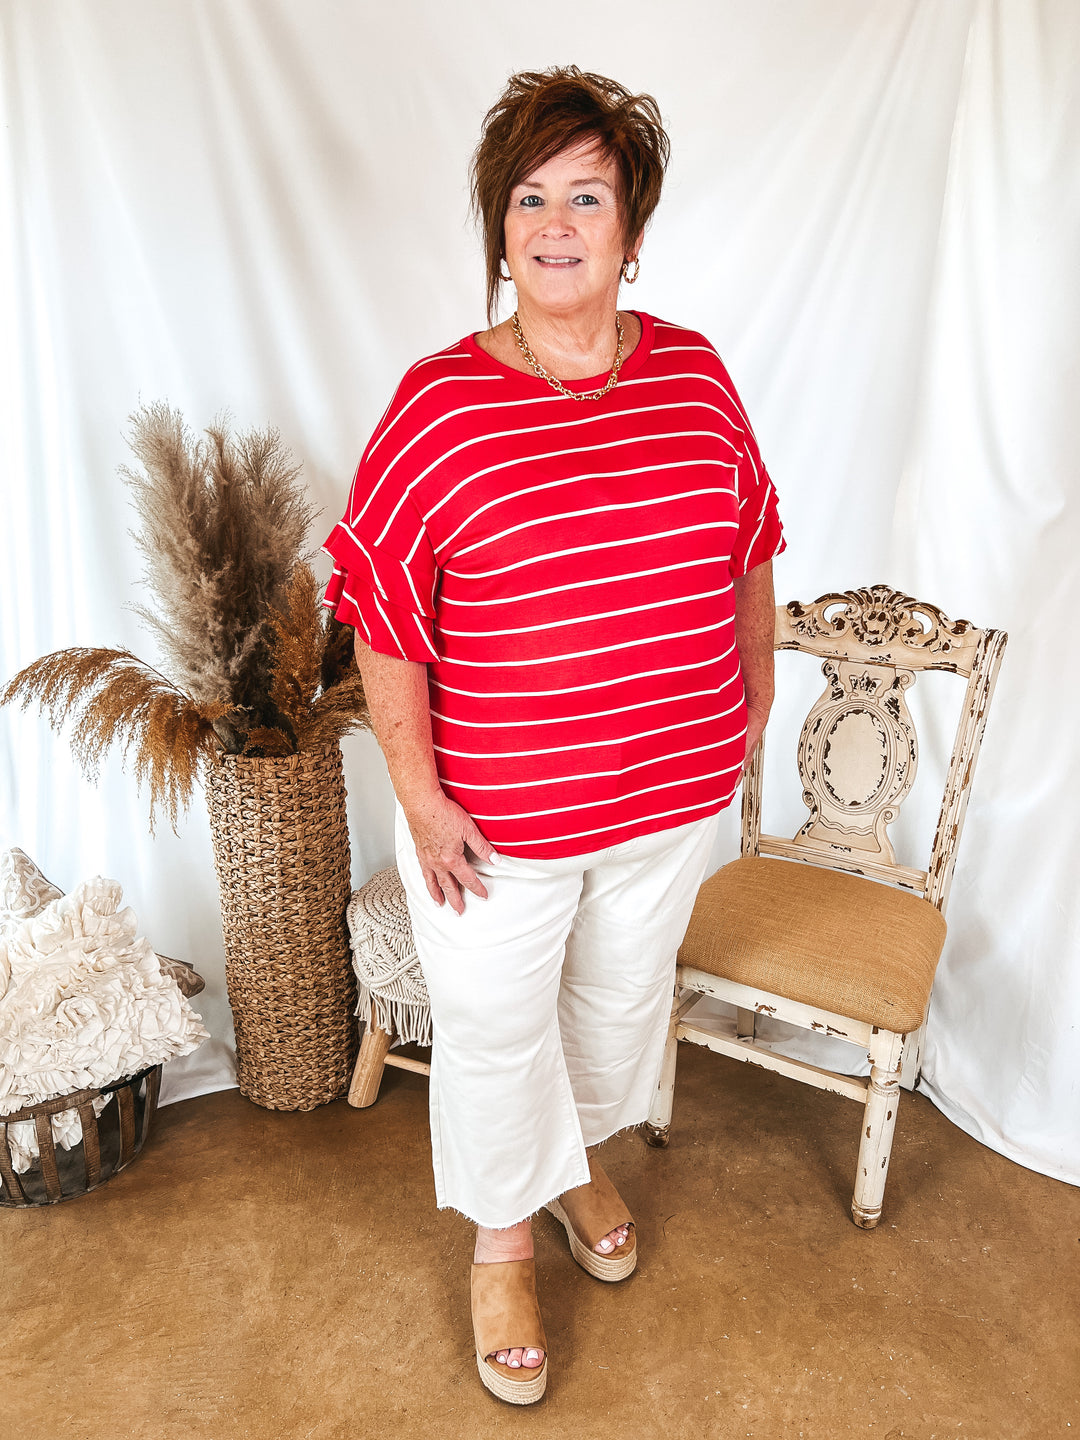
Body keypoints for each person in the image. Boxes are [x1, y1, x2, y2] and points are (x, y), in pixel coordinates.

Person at [322, 66, 783, 1405]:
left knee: (616, 1009)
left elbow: (749, 541)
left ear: (632, 230)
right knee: (493, 1027)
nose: (558, 222)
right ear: (500, 230)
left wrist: (749, 700)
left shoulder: (696, 376)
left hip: (666, 799)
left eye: (589, 193)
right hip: (499, 824)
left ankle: (572, 1162)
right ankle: (502, 1247)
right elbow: (386, 615)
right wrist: (415, 791)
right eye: (531, 197)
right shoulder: (439, 407)